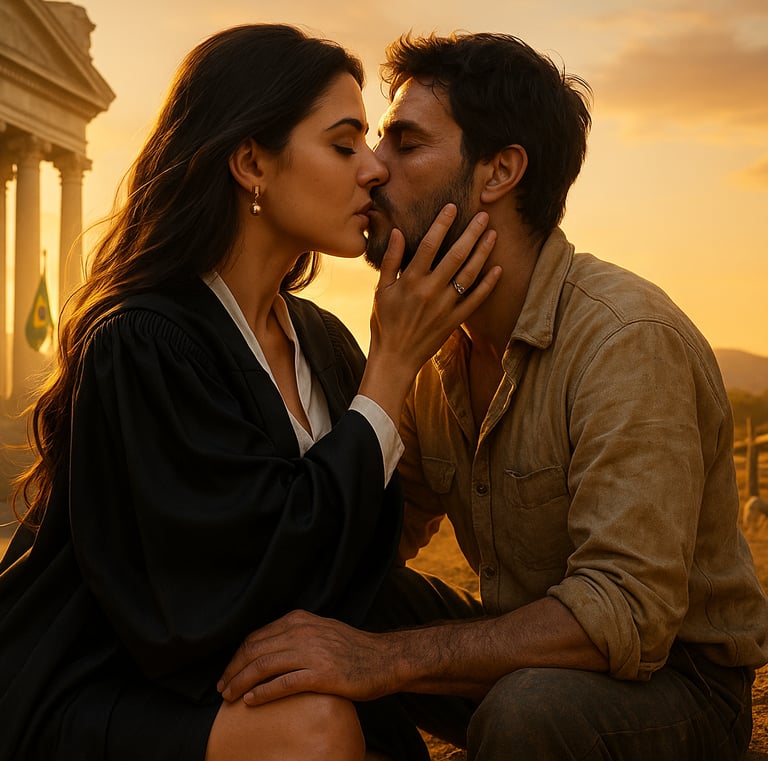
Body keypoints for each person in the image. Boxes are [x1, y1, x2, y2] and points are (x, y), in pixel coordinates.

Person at [215, 31, 768, 760]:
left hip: (675, 681)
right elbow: (371, 536)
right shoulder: (443, 347)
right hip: (521, 660)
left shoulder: (624, 338)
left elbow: (625, 613)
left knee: (527, 713)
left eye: (406, 145)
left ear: (499, 171)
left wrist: (382, 660)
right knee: (312, 610)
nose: (373, 168)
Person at [0, 25, 501, 761]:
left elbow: (357, 570)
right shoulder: (141, 340)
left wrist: (513, 644)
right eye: (343, 143)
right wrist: (391, 367)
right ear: (250, 162)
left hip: (253, 677)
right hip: (103, 683)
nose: (374, 170)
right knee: (320, 731)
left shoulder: (324, 343)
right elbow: (227, 594)